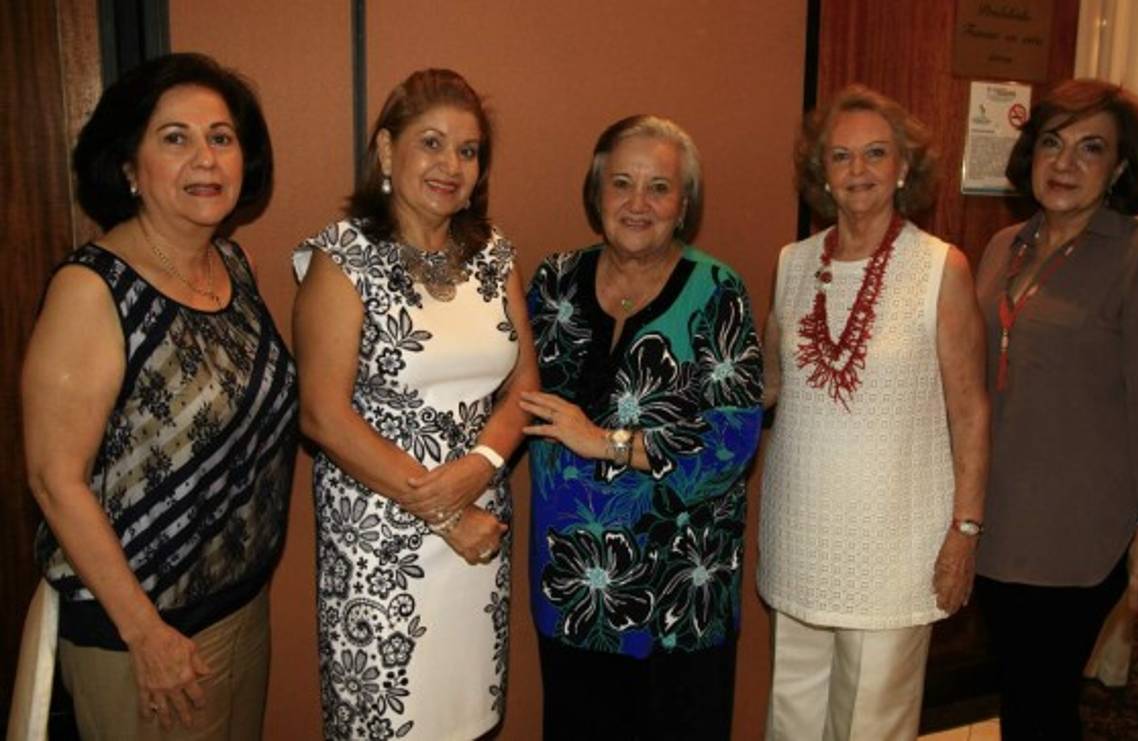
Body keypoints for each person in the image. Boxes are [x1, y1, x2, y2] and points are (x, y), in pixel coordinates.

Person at [22, 52, 297, 739]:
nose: (205, 158)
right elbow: (55, 481)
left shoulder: (233, 264)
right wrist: (146, 633)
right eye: (175, 138)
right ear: (128, 166)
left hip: (238, 608)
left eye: (221, 137)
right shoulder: (93, 290)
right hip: (141, 634)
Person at [292, 68, 537, 740]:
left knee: (470, 719)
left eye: (468, 150)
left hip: (478, 533)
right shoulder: (341, 259)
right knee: (390, 722)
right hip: (382, 543)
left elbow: (524, 388)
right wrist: (446, 509)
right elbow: (320, 413)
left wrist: (482, 465)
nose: (451, 165)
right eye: (432, 143)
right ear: (386, 149)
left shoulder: (493, 254)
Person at [757, 84, 989, 740]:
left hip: (894, 545)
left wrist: (964, 532)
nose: (858, 170)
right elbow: (769, 385)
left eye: (875, 154)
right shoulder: (792, 264)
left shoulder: (941, 267)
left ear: (903, 167)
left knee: (871, 725)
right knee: (791, 717)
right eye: (840, 156)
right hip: (800, 532)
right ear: (820, 172)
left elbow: (970, 411)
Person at [974, 79, 1138, 739]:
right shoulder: (1004, 246)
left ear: (1121, 167)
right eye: (1052, 143)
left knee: (1042, 702)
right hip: (996, 522)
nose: (1065, 163)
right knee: (1021, 694)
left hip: (1078, 534)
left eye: (1090, 148)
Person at [522, 115, 763, 740]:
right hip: (575, 588)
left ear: (684, 204)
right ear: (596, 192)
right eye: (621, 183)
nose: (637, 203)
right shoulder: (552, 284)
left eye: (658, 187)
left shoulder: (718, 291)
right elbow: (506, 394)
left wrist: (605, 442)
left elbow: (732, 444)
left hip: (682, 597)